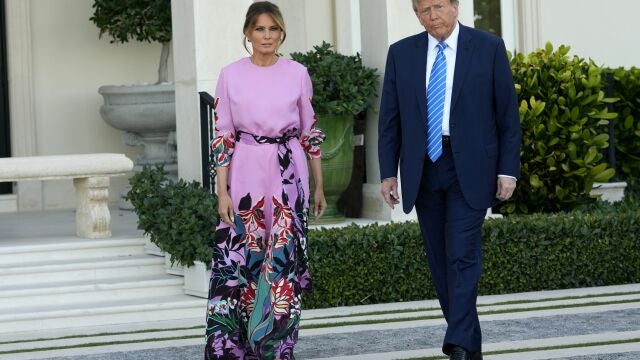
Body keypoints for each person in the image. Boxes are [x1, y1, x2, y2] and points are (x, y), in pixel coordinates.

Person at [378, 0, 521, 359]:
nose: (432, 15)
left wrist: (508, 170)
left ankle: (456, 342)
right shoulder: (401, 53)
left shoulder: (488, 47)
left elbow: (507, 116)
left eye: (439, 6)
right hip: (423, 168)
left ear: (456, 7)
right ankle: (468, 348)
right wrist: (386, 173)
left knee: (461, 253)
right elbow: (389, 120)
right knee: (441, 260)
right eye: (423, 10)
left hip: (470, 168)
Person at [205, 2, 326, 359]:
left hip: (288, 174)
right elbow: (223, 135)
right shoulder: (230, 75)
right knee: (243, 259)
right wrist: (221, 191)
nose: (267, 36)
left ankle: (276, 347)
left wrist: (318, 185)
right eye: (260, 29)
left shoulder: (297, 73)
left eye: (273, 29)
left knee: (283, 263)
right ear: (247, 33)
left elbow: (310, 132)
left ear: (281, 32)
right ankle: (235, 347)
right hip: (245, 173)